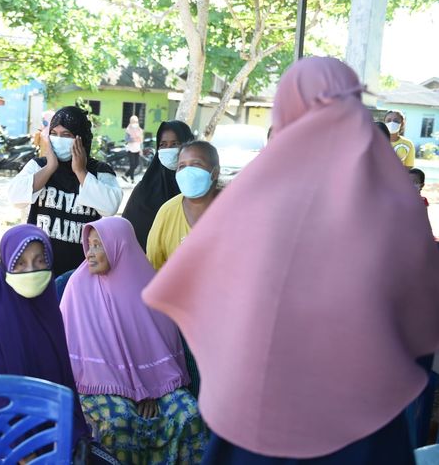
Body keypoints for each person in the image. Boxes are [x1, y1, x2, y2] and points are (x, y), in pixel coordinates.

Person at [144, 57, 439, 463]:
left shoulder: (256, 198)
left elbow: (211, 295)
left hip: (266, 411)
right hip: (365, 416)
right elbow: (420, 316)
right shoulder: (395, 201)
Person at [0, 225, 119, 463]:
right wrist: (25, 454)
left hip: (49, 431)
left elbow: (61, 380)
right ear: (7, 266)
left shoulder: (48, 310)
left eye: (40, 261)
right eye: (20, 263)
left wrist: (70, 437)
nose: (31, 271)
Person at [60, 217, 206, 464]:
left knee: (188, 413)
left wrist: (149, 389)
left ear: (120, 246)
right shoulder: (77, 287)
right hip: (98, 384)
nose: (90, 253)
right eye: (89, 245)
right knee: (118, 422)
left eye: (98, 245)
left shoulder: (147, 285)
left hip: (156, 384)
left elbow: (159, 345)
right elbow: (77, 353)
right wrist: (130, 391)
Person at [8, 106, 122, 276]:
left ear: (81, 138)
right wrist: (50, 168)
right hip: (41, 268)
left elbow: (110, 207)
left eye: (66, 135)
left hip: (81, 271)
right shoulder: (38, 166)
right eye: (54, 134)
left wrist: (81, 171)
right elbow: (15, 198)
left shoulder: (99, 171)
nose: (59, 140)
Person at [146, 141, 220, 271]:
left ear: (215, 172)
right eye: (182, 166)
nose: (187, 172)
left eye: (196, 164)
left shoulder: (233, 209)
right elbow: (153, 263)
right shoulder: (168, 212)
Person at [122, 120, 194, 250]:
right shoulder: (144, 189)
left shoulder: (198, 189)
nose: (168, 149)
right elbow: (126, 234)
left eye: (175, 144)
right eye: (163, 145)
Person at [124, 115, 144, 183]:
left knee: (136, 164)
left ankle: (126, 175)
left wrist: (141, 149)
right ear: (131, 122)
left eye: (136, 121)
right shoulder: (128, 130)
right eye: (133, 121)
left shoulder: (139, 130)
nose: (135, 123)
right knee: (132, 165)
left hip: (137, 149)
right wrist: (133, 139)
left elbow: (141, 141)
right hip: (130, 149)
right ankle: (132, 179)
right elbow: (126, 139)